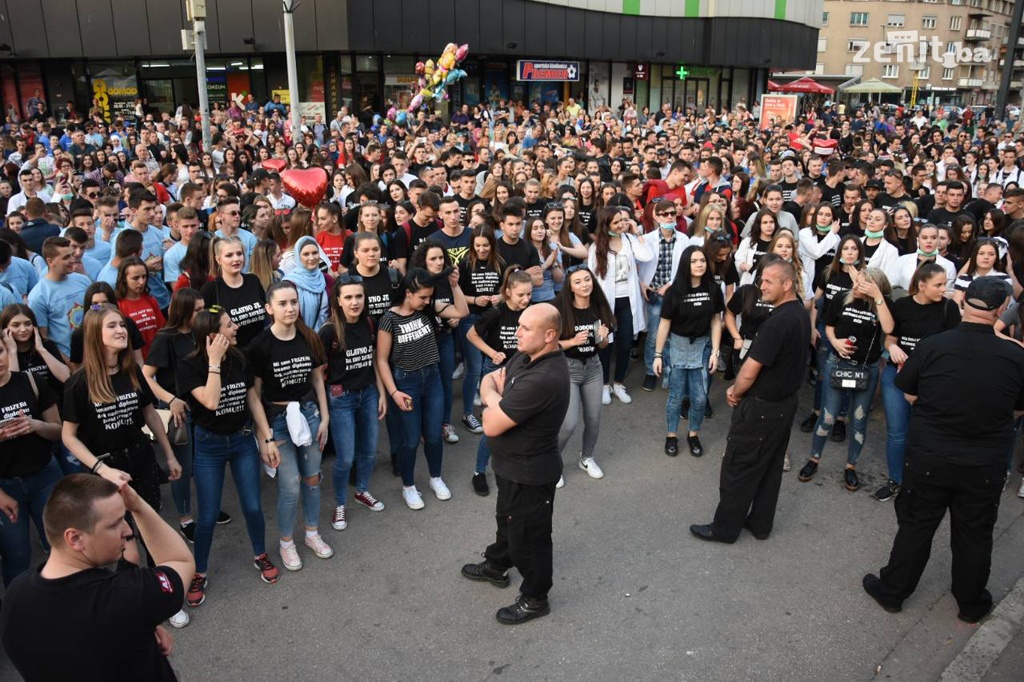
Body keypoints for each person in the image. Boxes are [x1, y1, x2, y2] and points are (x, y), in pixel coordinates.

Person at [864, 277, 1024, 624]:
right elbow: (1017, 408)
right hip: (984, 463)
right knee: (975, 534)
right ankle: (971, 604)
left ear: (963, 302)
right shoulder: (1015, 355)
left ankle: (893, 593)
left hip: (930, 457)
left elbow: (908, 391)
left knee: (917, 525)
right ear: (999, 310)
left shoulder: (935, 345)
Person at [0, 475, 194, 681]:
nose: (128, 530)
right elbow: (180, 561)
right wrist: (137, 507)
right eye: (115, 524)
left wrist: (143, 623)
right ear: (75, 538)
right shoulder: (125, 596)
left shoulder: (15, 596)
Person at [460, 302, 570, 625]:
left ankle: (536, 597)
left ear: (549, 335)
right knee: (506, 521)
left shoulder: (545, 376)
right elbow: (490, 380)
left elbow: (491, 423)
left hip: (531, 474)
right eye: (518, 325)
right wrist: (497, 400)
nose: (516, 332)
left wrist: (494, 400)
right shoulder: (525, 354)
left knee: (531, 538)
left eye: (525, 328)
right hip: (509, 467)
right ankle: (497, 565)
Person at [688, 260, 810, 543]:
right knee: (769, 467)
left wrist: (735, 391)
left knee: (738, 467)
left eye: (769, 281)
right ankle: (760, 524)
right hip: (784, 405)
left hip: (762, 408)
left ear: (787, 284)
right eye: (761, 280)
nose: (762, 286)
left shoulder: (777, 323)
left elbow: (751, 368)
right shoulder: (798, 312)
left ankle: (724, 529)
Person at [175, 307, 280, 607]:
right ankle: (200, 571)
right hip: (208, 447)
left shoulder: (241, 358)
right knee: (207, 515)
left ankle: (260, 554)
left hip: (243, 440)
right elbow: (210, 401)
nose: (236, 329)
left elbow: (253, 401)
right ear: (212, 336)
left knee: (252, 506)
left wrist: (267, 437)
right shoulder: (190, 365)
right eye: (229, 325)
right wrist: (214, 362)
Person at [247, 281, 333, 571]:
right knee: (290, 486)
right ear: (269, 308)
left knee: (312, 478)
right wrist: (264, 438)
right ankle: (286, 542)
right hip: (276, 421)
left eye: (293, 302)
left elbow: (318, 378)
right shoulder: (259, 345)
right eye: (282, 303)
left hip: (308, 415)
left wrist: (324, 417)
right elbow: (254, 396)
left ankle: (311, 533)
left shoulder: (308, 337)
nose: (290, 308)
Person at [376, 267, 466, 509]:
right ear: (408, 292)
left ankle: (435, 478)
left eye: (429, 297)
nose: (427, 301)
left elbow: (462, 311)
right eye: (423, 297)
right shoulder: (389, 319)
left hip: (433, 378)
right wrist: (393, 392)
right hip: (406, 383)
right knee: (411, 440)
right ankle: (408, 487)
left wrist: (455, 286)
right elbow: (382, 360)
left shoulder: (427, 309)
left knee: (434, 435)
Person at [797, 268, 894, 492]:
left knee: (858, 421)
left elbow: (889, 329)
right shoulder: (843, 298)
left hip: (865, 369)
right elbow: (829, 325)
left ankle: (851, 466)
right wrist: (835, 342)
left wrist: (877, 296)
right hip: (837, 364)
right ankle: (814, 459)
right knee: (828, 417)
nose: (856, 286)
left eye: (861, 283)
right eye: (856, 281)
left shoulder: (883, 304)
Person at [874, 264, 961, 502]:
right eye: (938, 285)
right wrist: (892, 348)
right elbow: (891, 337)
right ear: (922, 285)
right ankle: (896, 480)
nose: (944, 289)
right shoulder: (903, 305)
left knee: (926, 434)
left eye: (945, 284)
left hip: (931, 382)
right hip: (898, 377)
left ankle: (923, 482)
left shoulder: (949, 308)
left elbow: (955, 348)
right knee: (897, 433)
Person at [320, 273, 387, 533]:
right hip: (341, 399)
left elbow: (372, 359)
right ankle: (339, 503)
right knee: (345, 458)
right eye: (348, 297)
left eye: (358, 296)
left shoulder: (369, 323)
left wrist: (381, 393)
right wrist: (325, 411)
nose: (354, 302)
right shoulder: (329, 331)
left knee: (369, 451)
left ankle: (361, 491)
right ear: (338, 300)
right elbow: (318, 372)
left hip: (368, 394)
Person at [0, 339, 63, 586]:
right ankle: (20, 613)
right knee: (17, 555)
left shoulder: (29, 381)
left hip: (45, 477)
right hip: (6, 487)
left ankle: (63, 602)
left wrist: (36, 426)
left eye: (1, 351)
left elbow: (58, 430)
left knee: (59, 544)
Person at [652, 245, 724, 458]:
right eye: (694, 261)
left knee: (700, 398)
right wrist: (657, 355)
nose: (699, 264)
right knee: (675, 397)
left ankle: (693, 434)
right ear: (685, 264)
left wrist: (716, 352)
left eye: (702, 260)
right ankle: (671, 435)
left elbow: (716, 321)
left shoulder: (713, 289)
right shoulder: (675, 291)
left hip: (702, 348)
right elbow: (664, 325)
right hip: (677, 347)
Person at [589, 206, 652, 406]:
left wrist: (637, 231)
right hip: (604, 303)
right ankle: (604, 386)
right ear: (606, 224)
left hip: (627, 300)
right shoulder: (597, 246)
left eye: (623, 221)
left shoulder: (630, 241)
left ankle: (618, 384)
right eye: (616, 222)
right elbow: (592, 277)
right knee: (605, 345)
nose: (621, 225)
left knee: (625, 343)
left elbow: (647, 256)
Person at [554, 265, 613, 482]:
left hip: (594, 368)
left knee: (594, 419)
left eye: (587, 280)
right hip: (568, 369)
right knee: (568, 424)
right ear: (570, 287)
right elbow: (549, 343)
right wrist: (572, 341)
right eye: (578, 282)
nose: (584, 285)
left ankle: (586, 457)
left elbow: (603, 346)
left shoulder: (599, 306)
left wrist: (603, 337)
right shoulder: (560, 309)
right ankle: (554, 463)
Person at [200, 236, 267, 349]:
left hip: (262, 352)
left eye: (239, 254)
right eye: (229, 255)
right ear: (218, 259)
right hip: (232, 356)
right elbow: (204, 327)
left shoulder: (253, 280)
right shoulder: (209, 290)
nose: (236, 259)